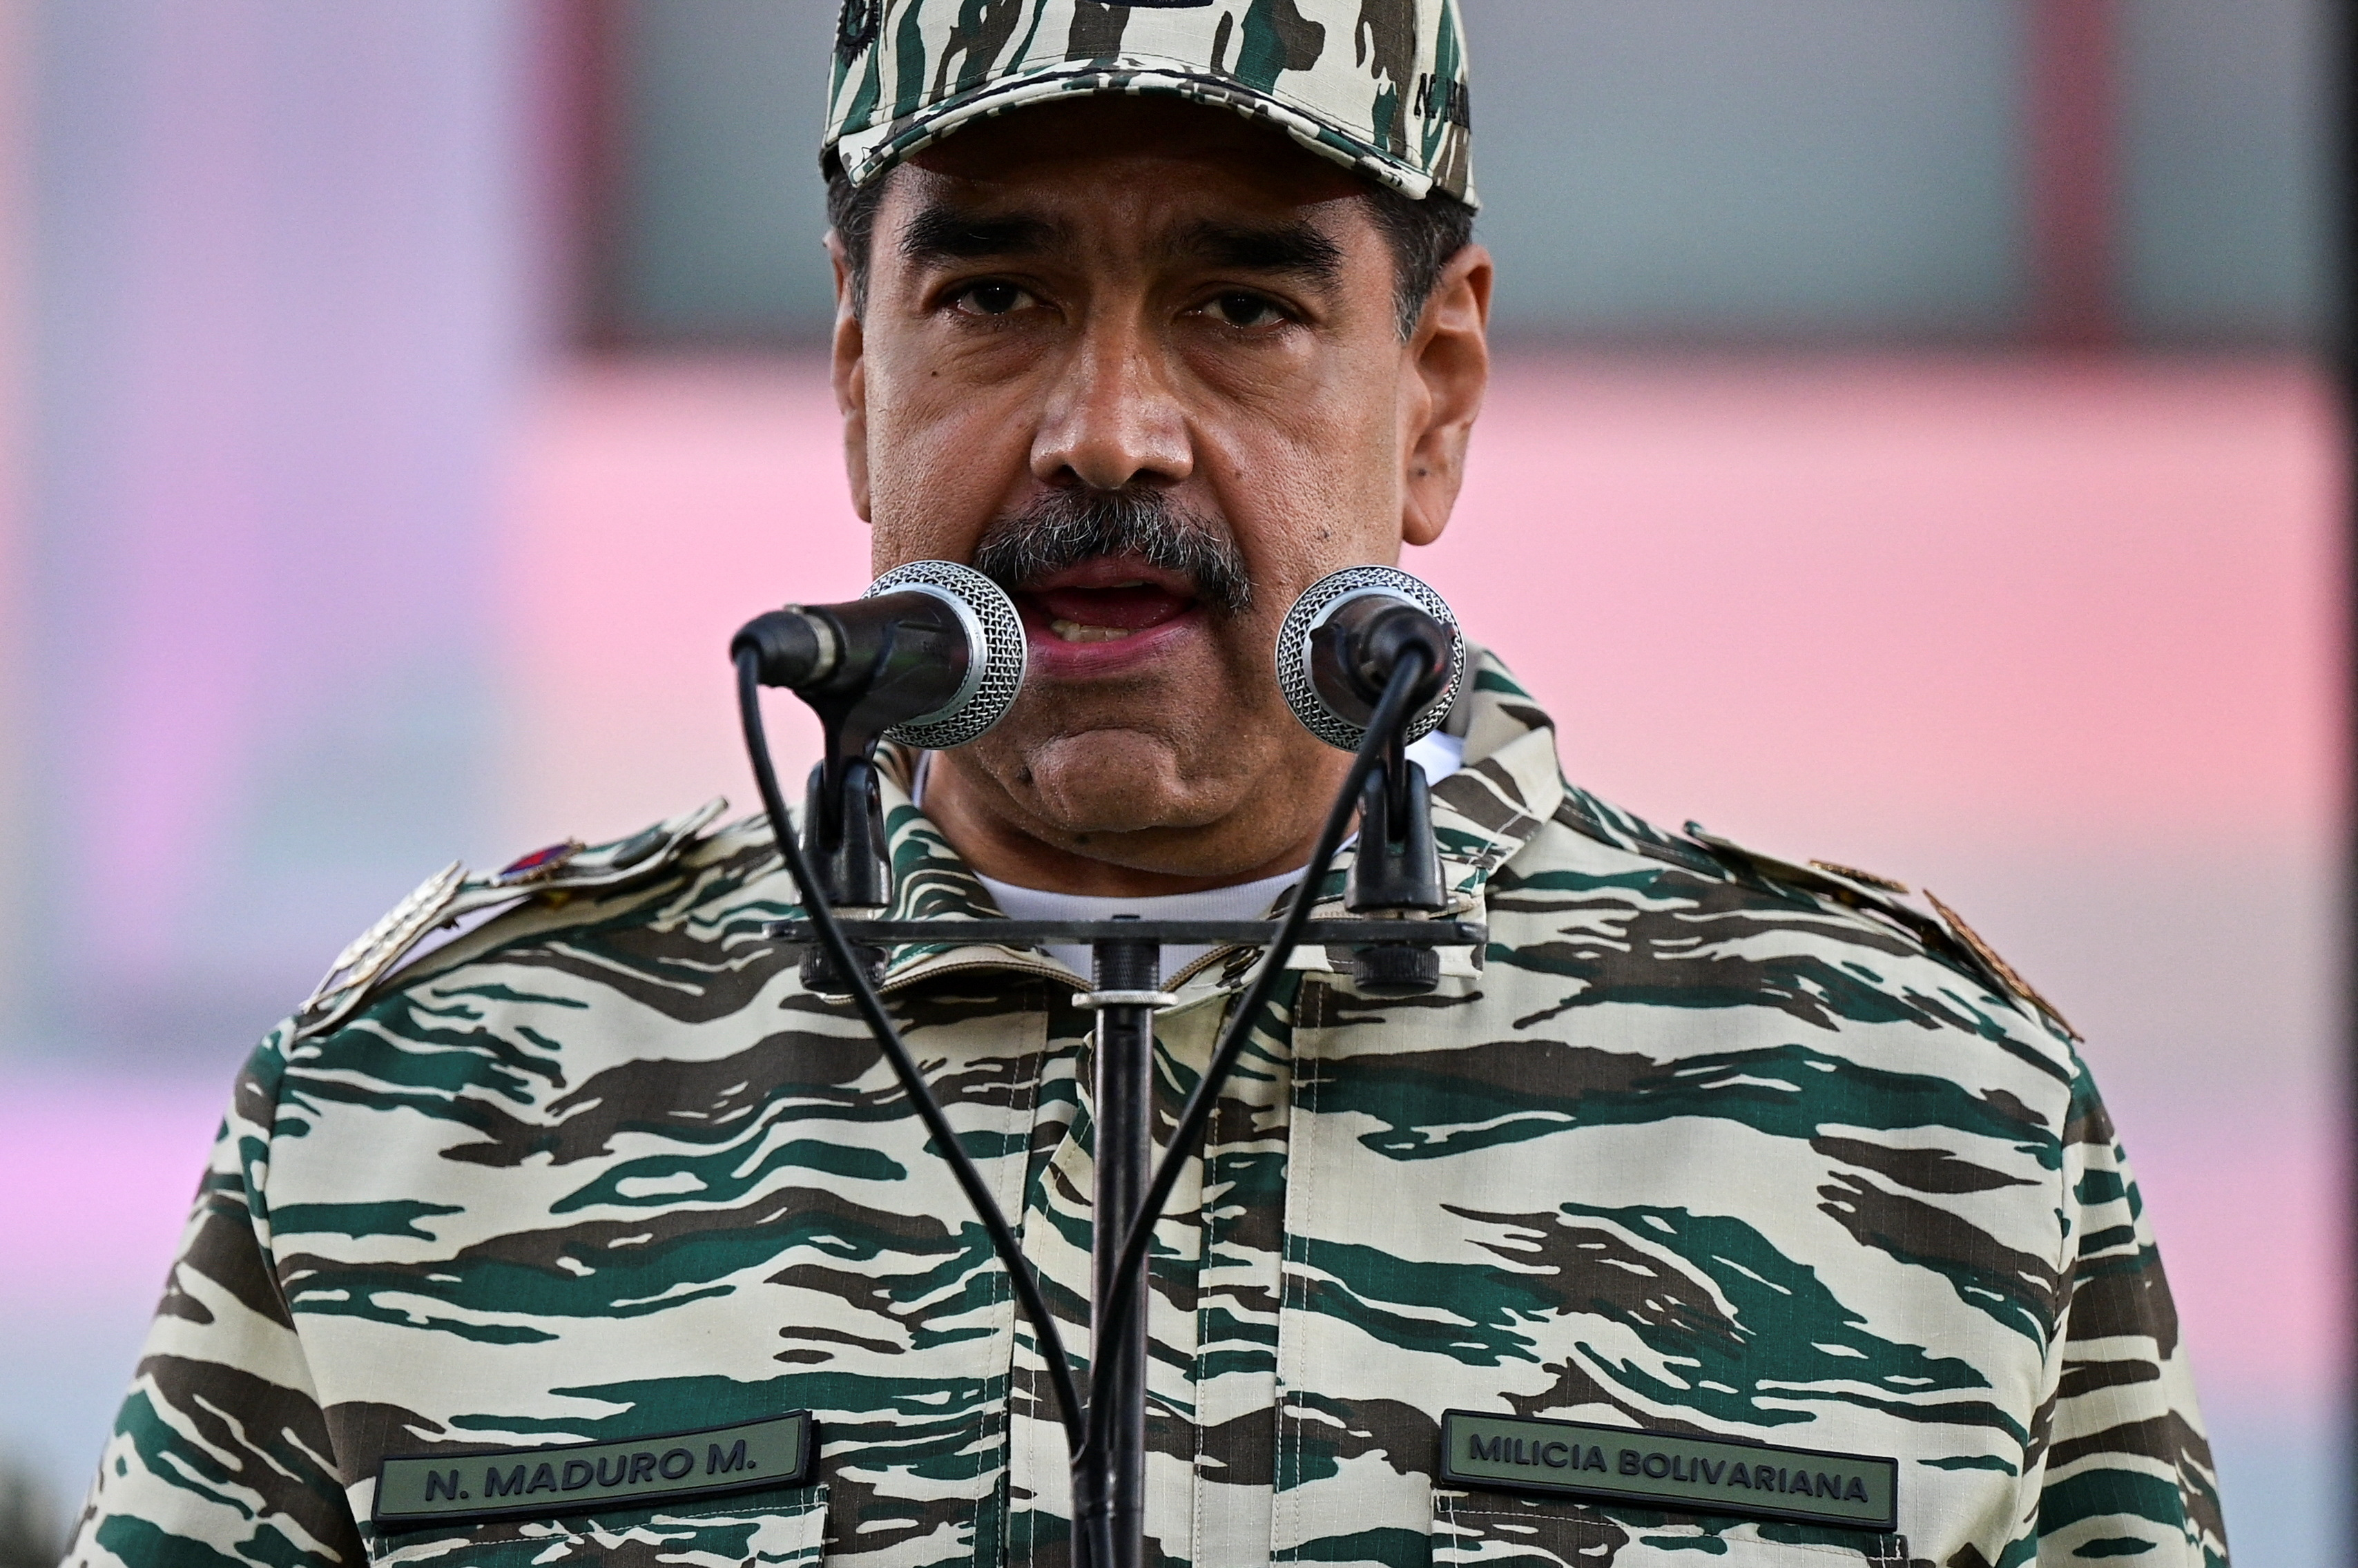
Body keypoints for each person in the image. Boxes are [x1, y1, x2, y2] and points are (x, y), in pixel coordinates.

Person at [67, 5, 2225, 1566]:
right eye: (997, 293)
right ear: (855, 368)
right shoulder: (429, 1104)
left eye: (1242, 306)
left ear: (1439, 388)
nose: (1110, 430)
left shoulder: (1913, 1105)